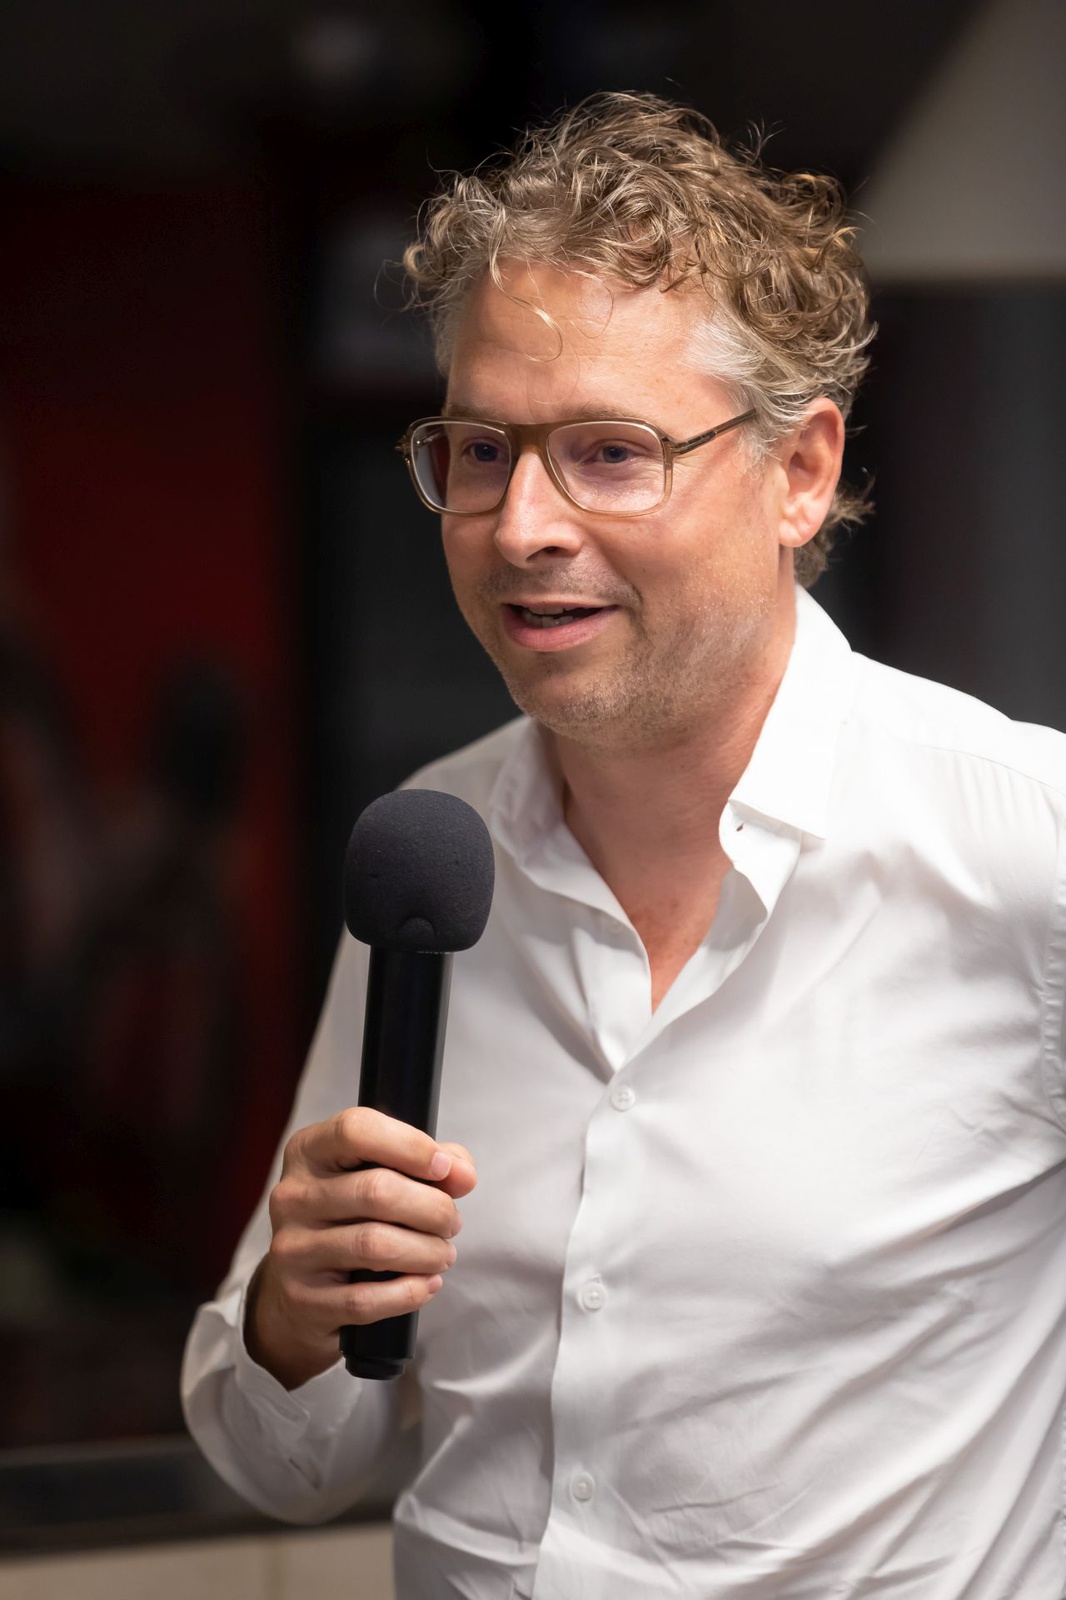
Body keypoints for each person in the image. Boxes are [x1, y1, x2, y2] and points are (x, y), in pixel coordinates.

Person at [182, 93, 1066, 1598]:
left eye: (608, 451)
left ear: (798, 472)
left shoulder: (1023, 851)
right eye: (481, 449)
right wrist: (293, 1309)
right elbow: (286, 1466)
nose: (521, 523)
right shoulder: (430, 859)